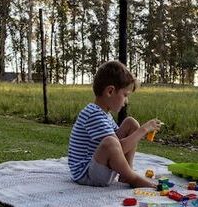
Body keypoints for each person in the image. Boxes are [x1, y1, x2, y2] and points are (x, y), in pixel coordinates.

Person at [67, 60, 161, 188]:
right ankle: (132, 178)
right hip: (87, 174)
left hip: (98, 166)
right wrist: (144, 130)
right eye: (125, 95)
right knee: (110, 142)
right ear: (110, 91)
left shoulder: (104, 113)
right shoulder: (93, 114)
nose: (126, 101)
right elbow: (118, 148)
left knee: (130, 123)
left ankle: (126, 173)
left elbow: (118, 144)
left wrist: (138, 130)